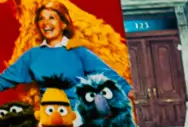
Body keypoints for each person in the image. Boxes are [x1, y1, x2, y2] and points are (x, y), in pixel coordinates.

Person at [0, 5, 128, 95]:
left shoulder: (78, 52)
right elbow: (5, 79)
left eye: (51, 17)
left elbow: (105, 73)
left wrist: (128, 90)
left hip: (79, 119)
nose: (45, 23)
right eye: (41, 18)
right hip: (48, 119)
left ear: (64, 24)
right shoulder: (33, 55)